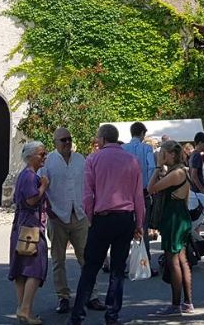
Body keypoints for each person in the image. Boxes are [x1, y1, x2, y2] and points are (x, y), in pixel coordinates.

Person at [69, 124, 144, 325]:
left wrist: (91, 219)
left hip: (102, 217)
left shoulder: (93, 159)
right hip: (125, 217)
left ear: (102, 140)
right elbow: (138, 195)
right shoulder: (132, 160)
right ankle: (112, 315)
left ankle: (77, 315)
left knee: (90, 268)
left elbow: (88, 194)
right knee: (118, 270)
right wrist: (139, 222)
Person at [40, 127, 104, 315]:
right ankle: (63, 297)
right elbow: (41, 186)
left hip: (79, 214)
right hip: (57, 215)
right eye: (63, 140)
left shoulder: (80, 160)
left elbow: (89, 185)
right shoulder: (48, 162)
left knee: (87, 258)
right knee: (58, 260)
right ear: (55, 142)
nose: (67, 142)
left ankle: (92, 295)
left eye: (69, 139)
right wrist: (48, 209)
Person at [148, 140, 195, 316]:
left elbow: (151, 188)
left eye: (163, 153)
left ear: (172, 154)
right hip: (179, 216)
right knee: (181, 260)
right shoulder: (181, 171)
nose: (161, 156)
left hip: (174, 219)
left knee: (173, 261)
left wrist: (157, 167)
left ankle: (176, 305)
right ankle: (187, 303)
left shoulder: (177, 173)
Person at [8, 142, 49, 324]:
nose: (44, 157)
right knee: (35, 269)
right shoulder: (30, 176)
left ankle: (24, 308)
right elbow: (32, 199)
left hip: (21, 225)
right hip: (31, 226)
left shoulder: (25, 175)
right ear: (32, 156)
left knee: (21, 268)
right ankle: (25, 308)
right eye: (42, 154)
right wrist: (44, 186)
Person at [122, 121, 157, 274]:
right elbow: (151, 167)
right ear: (142, 134)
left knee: (124, 229)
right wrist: (150, 187)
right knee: (143, 226)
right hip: (142, 191)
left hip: (124, 192)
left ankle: (122, 263)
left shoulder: (122, 149)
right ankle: (145, 263)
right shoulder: (147, 148)